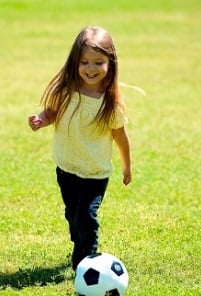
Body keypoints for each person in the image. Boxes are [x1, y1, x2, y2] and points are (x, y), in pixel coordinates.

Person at [28, 26, 132, 270]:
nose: (91, 68)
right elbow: (53, 112)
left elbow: (121, 136)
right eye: (84, 62)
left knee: (86, 217)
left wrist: (127, 166)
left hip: (95, 173)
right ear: (75, 62)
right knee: (73, 216)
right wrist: (41, 119)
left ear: (110, 63)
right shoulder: (66, 92)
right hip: (66, 167)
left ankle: (85, 264)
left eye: (98, 62)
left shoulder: (110, 104)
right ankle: (80, 241)